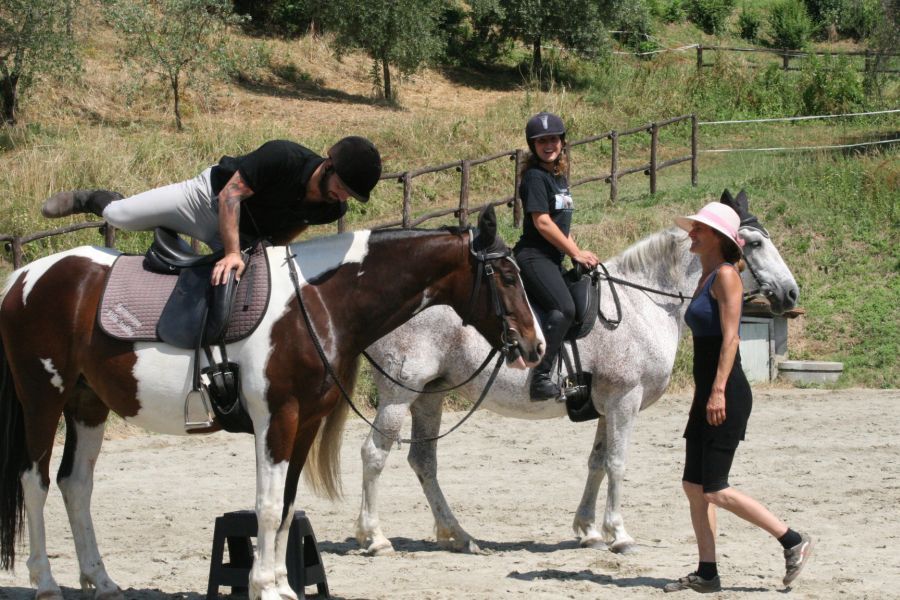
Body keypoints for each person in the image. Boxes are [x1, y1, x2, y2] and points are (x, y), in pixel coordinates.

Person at [664, 201, 812, 593]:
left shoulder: (726, 275)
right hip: (706, 392)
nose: (692, 234)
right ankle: (707, 573)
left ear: (719, 238)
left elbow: (731, 338)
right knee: (694, 487)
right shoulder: (706, 275)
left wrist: (716, 392)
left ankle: (792, 540)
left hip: (725, 392)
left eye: (699, 229)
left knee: (714, 487)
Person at [41, 136, 382, 285]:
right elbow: (229, 196)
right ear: (329, 164)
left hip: (245, 234)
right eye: (344, 187)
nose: (343, 198)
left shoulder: (330, 208)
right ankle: (93, 198)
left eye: (351, 195)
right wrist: (233, 253)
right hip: (204, 200)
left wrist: (264, 252)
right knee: (120, 217)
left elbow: (292, 229)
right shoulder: (282, 156)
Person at [513, 112, 598, 401]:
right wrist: (574, 252)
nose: (549, 145)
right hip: (533, 256)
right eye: (542, 141)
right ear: (533, 145)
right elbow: (543, 222)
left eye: (553, 139)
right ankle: (539, 379)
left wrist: (577, 253)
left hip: (552, 257)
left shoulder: (558, 177)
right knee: (564, 308)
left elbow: (561, 224)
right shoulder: (536, 177)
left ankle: (570, 372)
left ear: (562, 142)